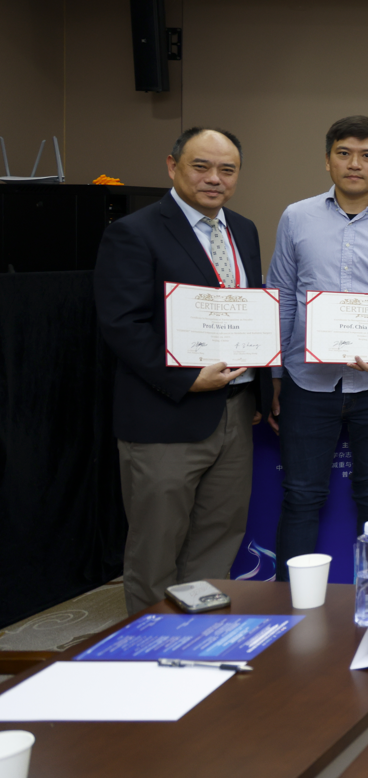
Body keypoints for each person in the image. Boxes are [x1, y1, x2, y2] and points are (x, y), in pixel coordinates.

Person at [94, 127, 271, 613]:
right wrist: (186, 379)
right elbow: (122, 324)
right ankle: (152, 641)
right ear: (172, 167)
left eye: (227, 170)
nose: (215, 178)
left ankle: (199, 634)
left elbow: (247, 312)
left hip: (235, 410)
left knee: (220, 531)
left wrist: (260, 388)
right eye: (201, 166)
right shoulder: (134, 231)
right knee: (157, 542)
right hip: (165, 413)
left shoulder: (244, 229)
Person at [269, 116, 368, 576]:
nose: (354, 164)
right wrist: (275, 375)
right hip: (306, 381)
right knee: (301, 494)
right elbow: (282, 297)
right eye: (344, 153)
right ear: (328, 160)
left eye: (367, 155)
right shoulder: (296, 216)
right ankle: (293, 603)